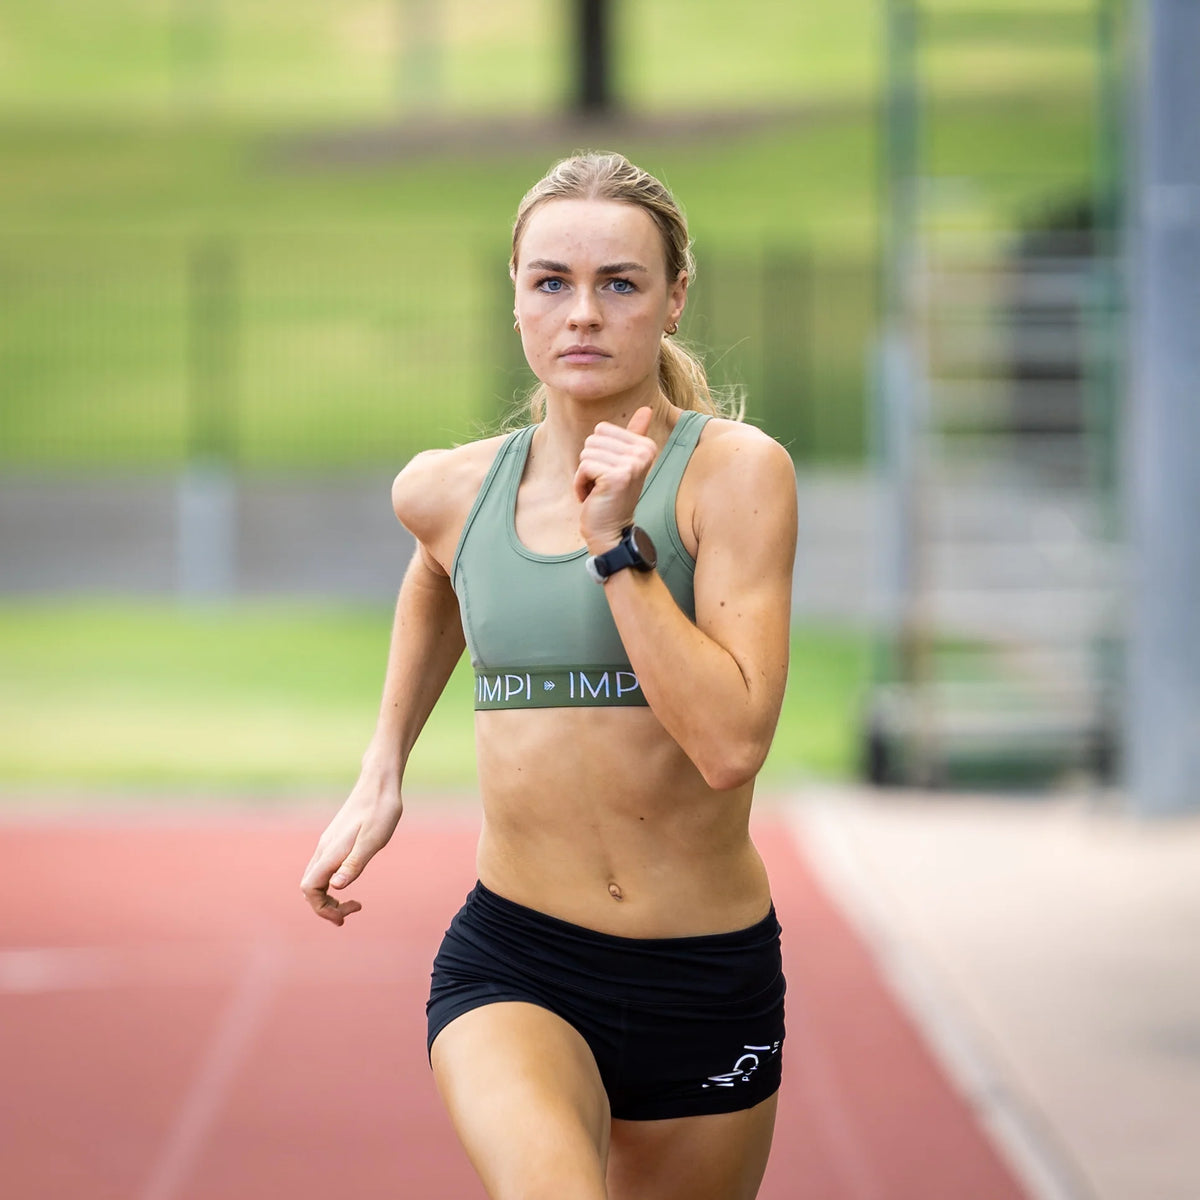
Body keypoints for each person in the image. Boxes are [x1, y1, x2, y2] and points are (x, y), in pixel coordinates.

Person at [301, 151, 798, 1200]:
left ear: (673, 300)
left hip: (703, 976)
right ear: (517, 299)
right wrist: (381, 765)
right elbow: (439, 576)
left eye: (619, 283)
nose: (583, 312)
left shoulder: (736, 475)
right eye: (551, 283)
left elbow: (729, 746)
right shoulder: (446, 489)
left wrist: (614, 545)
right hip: (518, 962)